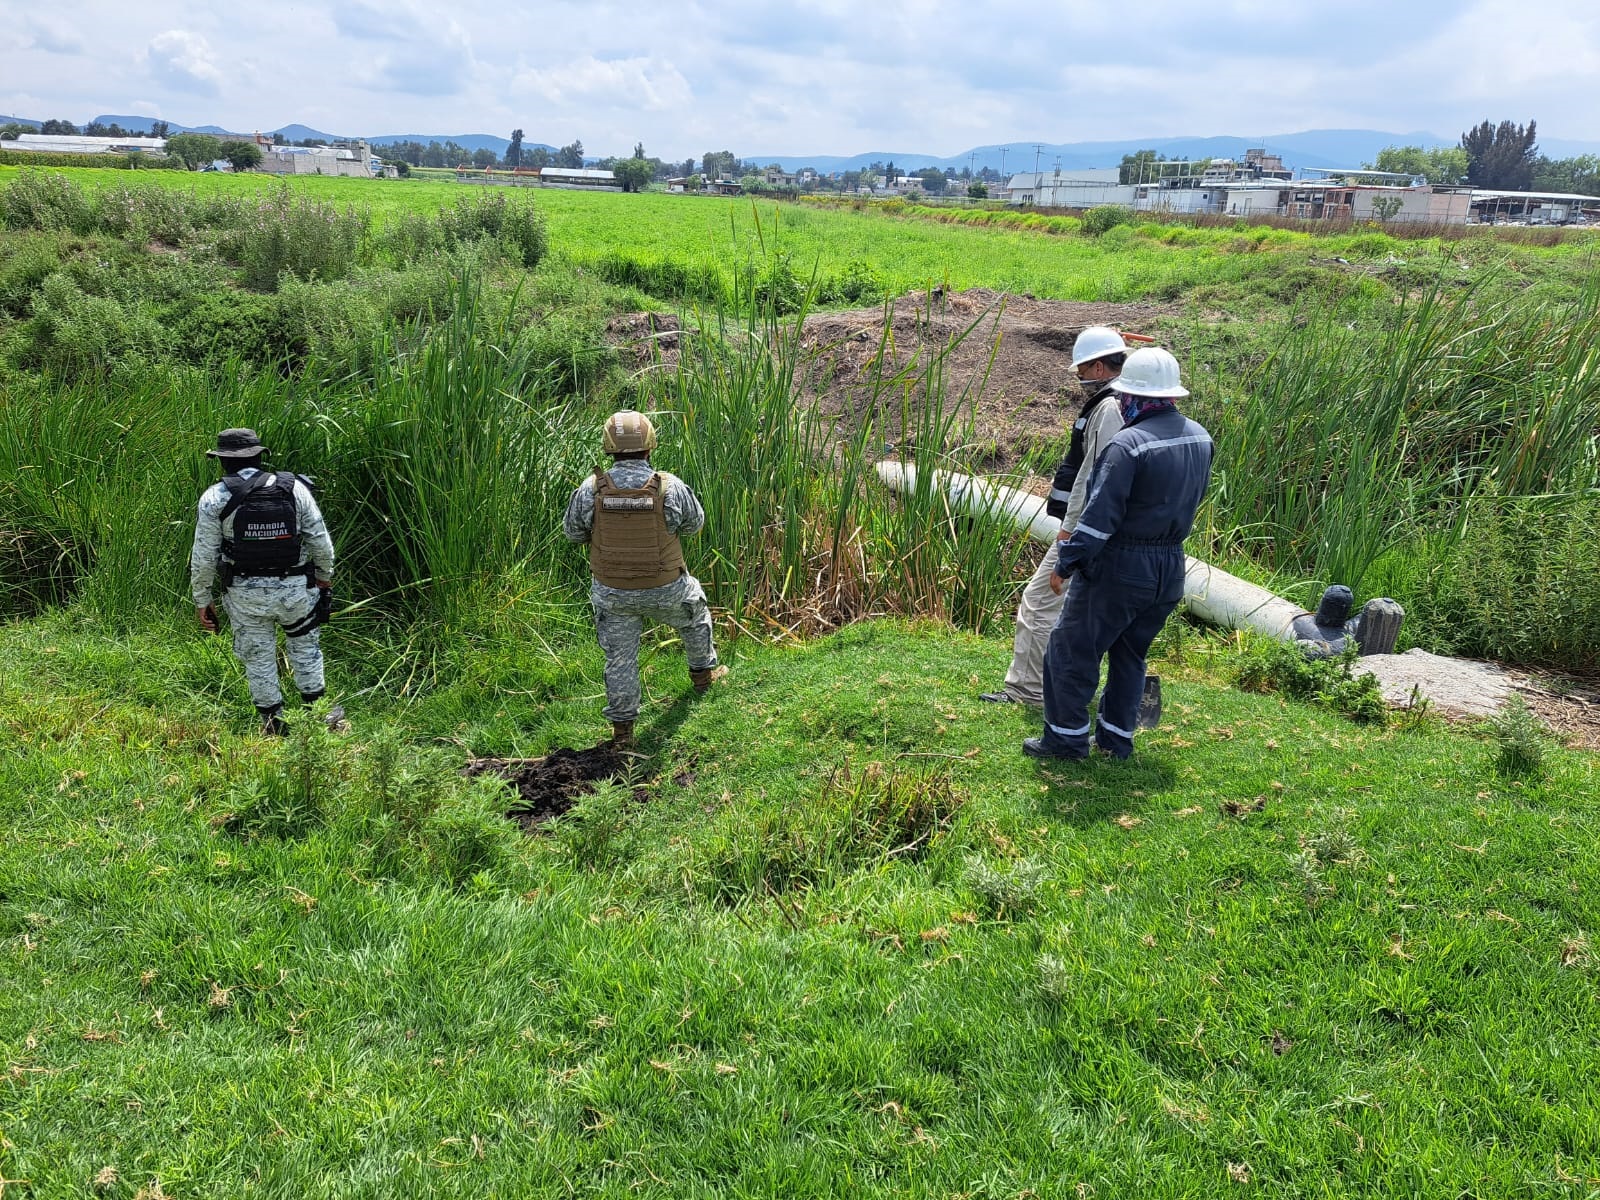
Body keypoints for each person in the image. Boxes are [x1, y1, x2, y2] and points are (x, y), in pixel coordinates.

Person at [1025, 348, 1213, 760]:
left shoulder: (1128, 445)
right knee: (1131, 654)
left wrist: (1068, 562)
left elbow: (1099, 518)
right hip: (1170, 566)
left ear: (1132, 396)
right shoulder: (1200, 436)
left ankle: (1064, 739)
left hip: (1121, 565)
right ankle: (1116, 739)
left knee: (1072, 649)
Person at [981, 326, 1128, 706]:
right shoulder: (1124, 400)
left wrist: (1069, 532)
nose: (1078, 377)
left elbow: (1097, 477)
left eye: (1082, 368)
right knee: (1078, 611)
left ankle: (1028, 691)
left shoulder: (1109, 408)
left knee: (1038, 601)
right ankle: (1072, 689)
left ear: (1098, 367)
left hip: (1086, 529)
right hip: (1106, 530)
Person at [563, 411, 724, 748]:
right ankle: (703, 677)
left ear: (609, 447)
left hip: (613, 594)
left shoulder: (590, 488)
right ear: (650, 444)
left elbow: (573, 534)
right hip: (665, 586)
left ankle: (623, 732)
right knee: (695, 615)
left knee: (620, 658)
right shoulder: (669, 485)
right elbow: (694, 525)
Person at [190, 428, 337, 736]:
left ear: (222, 462)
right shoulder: (295, 490)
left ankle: (273, 726)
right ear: (260, 456)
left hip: (245, 597)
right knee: (306, 650)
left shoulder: (214, 498)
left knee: (258, 657)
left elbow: (203, 557)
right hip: (296, 592)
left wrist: (203, 601)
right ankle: (319, 720)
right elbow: (321, 544)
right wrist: (324, 580)